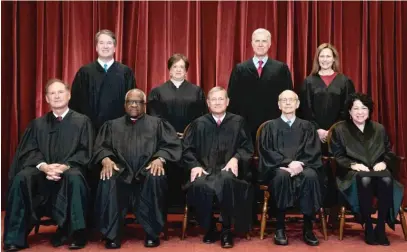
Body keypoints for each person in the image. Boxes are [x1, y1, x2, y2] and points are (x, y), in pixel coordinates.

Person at [3, 79, 93, 251]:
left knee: (75, 177)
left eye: (60, 92)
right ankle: (14, 237)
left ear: (69, 95)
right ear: (46, 98)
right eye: (52, 93)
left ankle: (77, 234)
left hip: (69, 171)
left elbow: (85, 151)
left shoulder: (82, 122)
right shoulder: (37, 124)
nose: (57, 96)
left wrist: (64, 166)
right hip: (42, 174)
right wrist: (44, 166)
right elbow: (29, 151)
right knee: (22, 178)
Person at [92, 89, 182, 249]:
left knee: (156, 176)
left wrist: (160, 159)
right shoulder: (112, 125)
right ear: (124, 105)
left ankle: (152, 233)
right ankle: (112, 234)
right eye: (130, 102)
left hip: (147, 171)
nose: (134, 105)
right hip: (120, 172)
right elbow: (100, 147)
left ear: (144, 105)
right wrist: (105, 159)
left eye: (138, 102)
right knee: (108, 177)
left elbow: (172, 145)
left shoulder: (157, 124)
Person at [182, 87, 254, 248]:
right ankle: (210, 227)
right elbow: (187, 149)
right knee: (199, 184)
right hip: (205, 170)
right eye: (213, 99)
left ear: (227, 102)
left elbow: (247, 148)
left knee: (227, 181)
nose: (217, 102)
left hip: (229, 171)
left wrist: (236, 159)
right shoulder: (198, 123)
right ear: (208, 103)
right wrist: (194, 166)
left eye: (221, 99)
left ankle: (227, 230)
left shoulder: (238, 122)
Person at [330, 93, 404, 246]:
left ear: (369, 111)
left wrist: (384, 162)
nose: (360, 112)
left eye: (364, 108)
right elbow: (337, 155)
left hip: (378, 171)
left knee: (385, 178)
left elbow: (389, 152)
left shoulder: (379, 129)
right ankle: (369, 226)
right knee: (364, 178)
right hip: (352, 174)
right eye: (355, 108)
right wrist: (352, 165)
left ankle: (381, 227)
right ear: (349, 112)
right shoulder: (340, 129)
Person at [258, 90, 323, 246]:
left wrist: (299, 165)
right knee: (281, 176)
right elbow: (267, 151)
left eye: (291, 100)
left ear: (297, 103)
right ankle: (280, 227)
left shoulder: (307, 126)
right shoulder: (269, 127)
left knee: (311, 176)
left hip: (303, 166)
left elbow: (313, 151)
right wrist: (288, 163)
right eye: (284, 100)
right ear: (279, 104)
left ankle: (308, 228)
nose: (287, 103)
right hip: (278, 167)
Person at [299, 43, 356, 208]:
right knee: (316, 170)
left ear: (334, 59)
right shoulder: (309, 81)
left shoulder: (344, 81)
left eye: (328, 56)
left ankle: (336, 209)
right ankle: (316, 207)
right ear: (318, 59)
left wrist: (331, 131)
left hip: (338, 135)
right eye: (322, 56)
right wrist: (317, 130)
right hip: (313, 135)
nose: (325, 59)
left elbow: (348, 109)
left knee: (336, 170)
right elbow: (305, 110)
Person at [147, 53, 207, 208]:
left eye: (182, 67)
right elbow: (154, 118)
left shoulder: (197, 91)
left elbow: (202, 118)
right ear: (169, 70)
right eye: (175, 67)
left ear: (187, 70)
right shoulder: (158, 91)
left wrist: (187, 133)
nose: (179, 70)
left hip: (191, 139)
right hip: (165, 141)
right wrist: (172, 135)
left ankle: (191, 205)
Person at [227, 28, 293, 142]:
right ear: (252, 44)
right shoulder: (240, 69)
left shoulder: (281, 69)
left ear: (269, 44)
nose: (260, 44)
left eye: (264, 41)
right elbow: (232, 100)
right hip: (246, 126)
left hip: (274, 126)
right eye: (257, 41)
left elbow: (289, 98)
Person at [69, 29, 136, 131]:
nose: (105, 46)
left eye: (109, 43)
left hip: (120, 131)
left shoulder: (125, 72)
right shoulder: (84, 73)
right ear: (96, 47)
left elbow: (132, 103)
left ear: (114, 48)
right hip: (89, 130)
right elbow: (75, 104)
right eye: (101, 43)